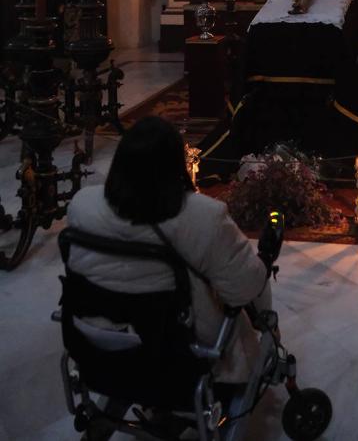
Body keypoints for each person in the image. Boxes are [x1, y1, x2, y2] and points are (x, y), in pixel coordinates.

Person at [66, 117, 271, 383]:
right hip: (177, 347)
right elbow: (245, 288)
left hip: (98, 334)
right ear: (176, 165)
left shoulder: (83, 204)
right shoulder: (202, 216)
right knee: (254, 275)